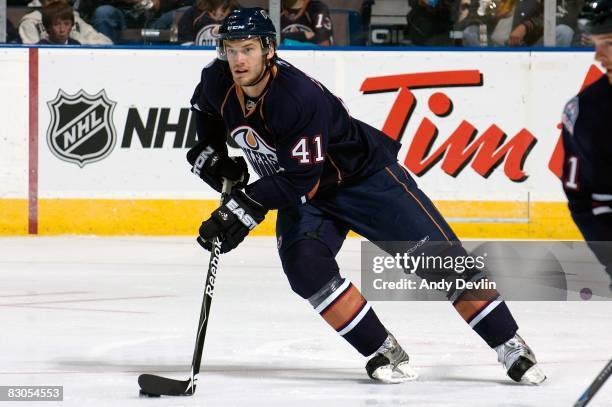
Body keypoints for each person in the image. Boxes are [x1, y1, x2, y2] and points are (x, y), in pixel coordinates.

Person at [187, 7, 546, 384]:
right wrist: (210, 153)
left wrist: (243, 207)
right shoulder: (216, 79)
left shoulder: (297, 97)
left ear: (268, 49)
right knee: (306, 268)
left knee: (441, 262)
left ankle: (510, 345)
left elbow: (299, 181)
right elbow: (206, 112)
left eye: (247, 48)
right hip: (304, 193)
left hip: (364, 181)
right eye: (230, 49)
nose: (238, 59)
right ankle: (382, 349)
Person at [560, 0, 612, 289]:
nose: (599, 56)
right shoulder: (585, 113)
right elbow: (583, 199)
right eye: (596, 43)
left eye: (609, 43)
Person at [19, 0, 112, 44]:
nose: (62, 29)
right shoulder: (30, 22)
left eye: (67, 24)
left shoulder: (75, 19)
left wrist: (78, 42)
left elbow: (107, 43)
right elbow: (29, 54)